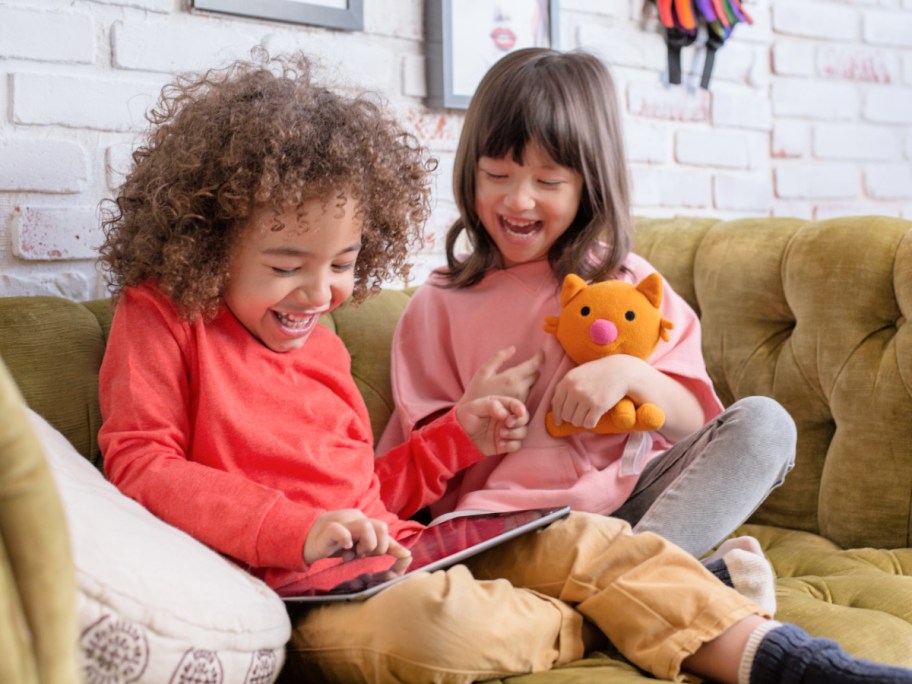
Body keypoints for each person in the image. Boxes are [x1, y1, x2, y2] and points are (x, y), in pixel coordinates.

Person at [95, 49, 912, 684]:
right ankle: (640, 608)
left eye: (343, 263)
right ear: (208, 242)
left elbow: (376, 490)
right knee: (442, 626)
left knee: (596, 546)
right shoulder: (165, 315)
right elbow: (141, 460)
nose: (323, 291)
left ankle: (797, 663)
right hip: (324, 582)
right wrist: (296, 529)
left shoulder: (318, 333)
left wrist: (464, 432)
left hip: (437, 542)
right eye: (286, 265)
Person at [378, 47, 796, 571]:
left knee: (767, 424)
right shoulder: (438, 304)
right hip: (510, 526)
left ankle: (633, 584)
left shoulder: (631, 284)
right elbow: (408, 482)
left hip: (634, 509)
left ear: (588, 186)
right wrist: (467, 423)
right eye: (496, 175)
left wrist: (629, 374)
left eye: (548, 182)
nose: (518, 201)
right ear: (471, 173)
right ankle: (662, 587)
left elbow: (695, 425)